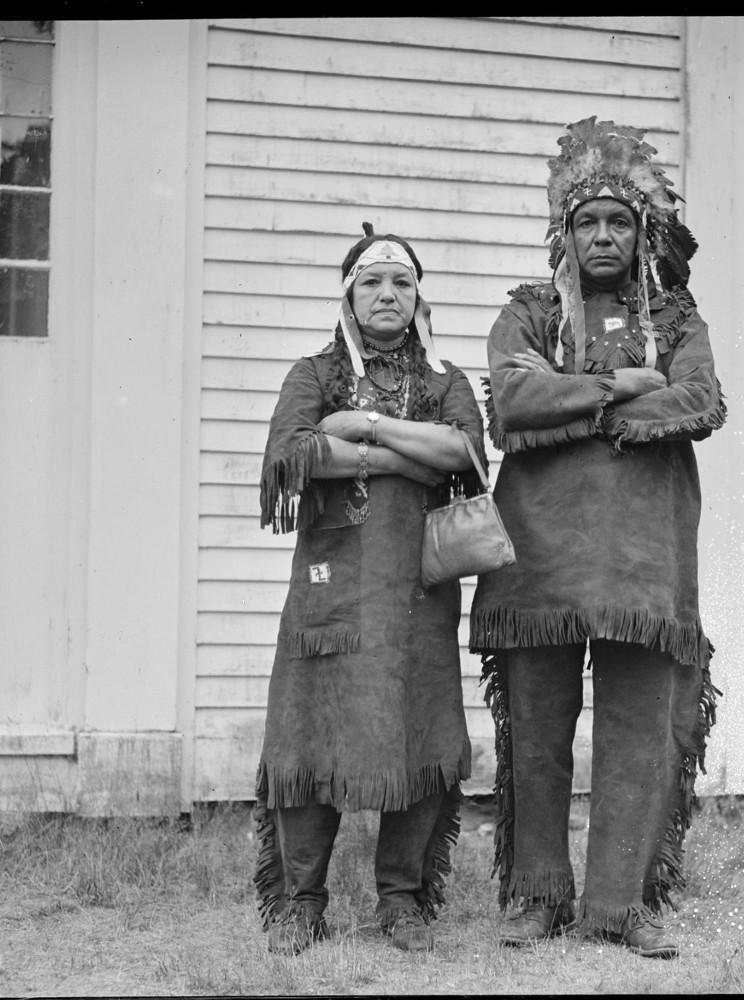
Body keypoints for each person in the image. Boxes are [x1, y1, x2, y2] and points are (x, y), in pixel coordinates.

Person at [469, 118, 726, 960]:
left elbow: (697, 401)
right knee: (537, 735)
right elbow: (512, 402)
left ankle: (621, 905)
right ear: (565, 232)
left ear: (642, 231)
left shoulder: (675, 316)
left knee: (640, 733)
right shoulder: (532, 311)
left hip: (644, 560)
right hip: (540, 558)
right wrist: (623, 387)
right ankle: (537, 896)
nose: (604, 236)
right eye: (588, 223)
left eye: (619, 221)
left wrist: (577, 400)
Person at [253, 224, 486, 955]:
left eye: (402, 282)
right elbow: (293, 454)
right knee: (308, 736)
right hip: (332, 593)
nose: (388, 294)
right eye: (372, 282)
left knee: (419, 732)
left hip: (416, 594)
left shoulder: (444, 381)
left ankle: (403, 900)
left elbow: (464, 451)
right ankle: (300, 903)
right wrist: (402, 457)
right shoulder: (315, 373)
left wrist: (364, 426)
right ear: (349, 297)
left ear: (419, 298)